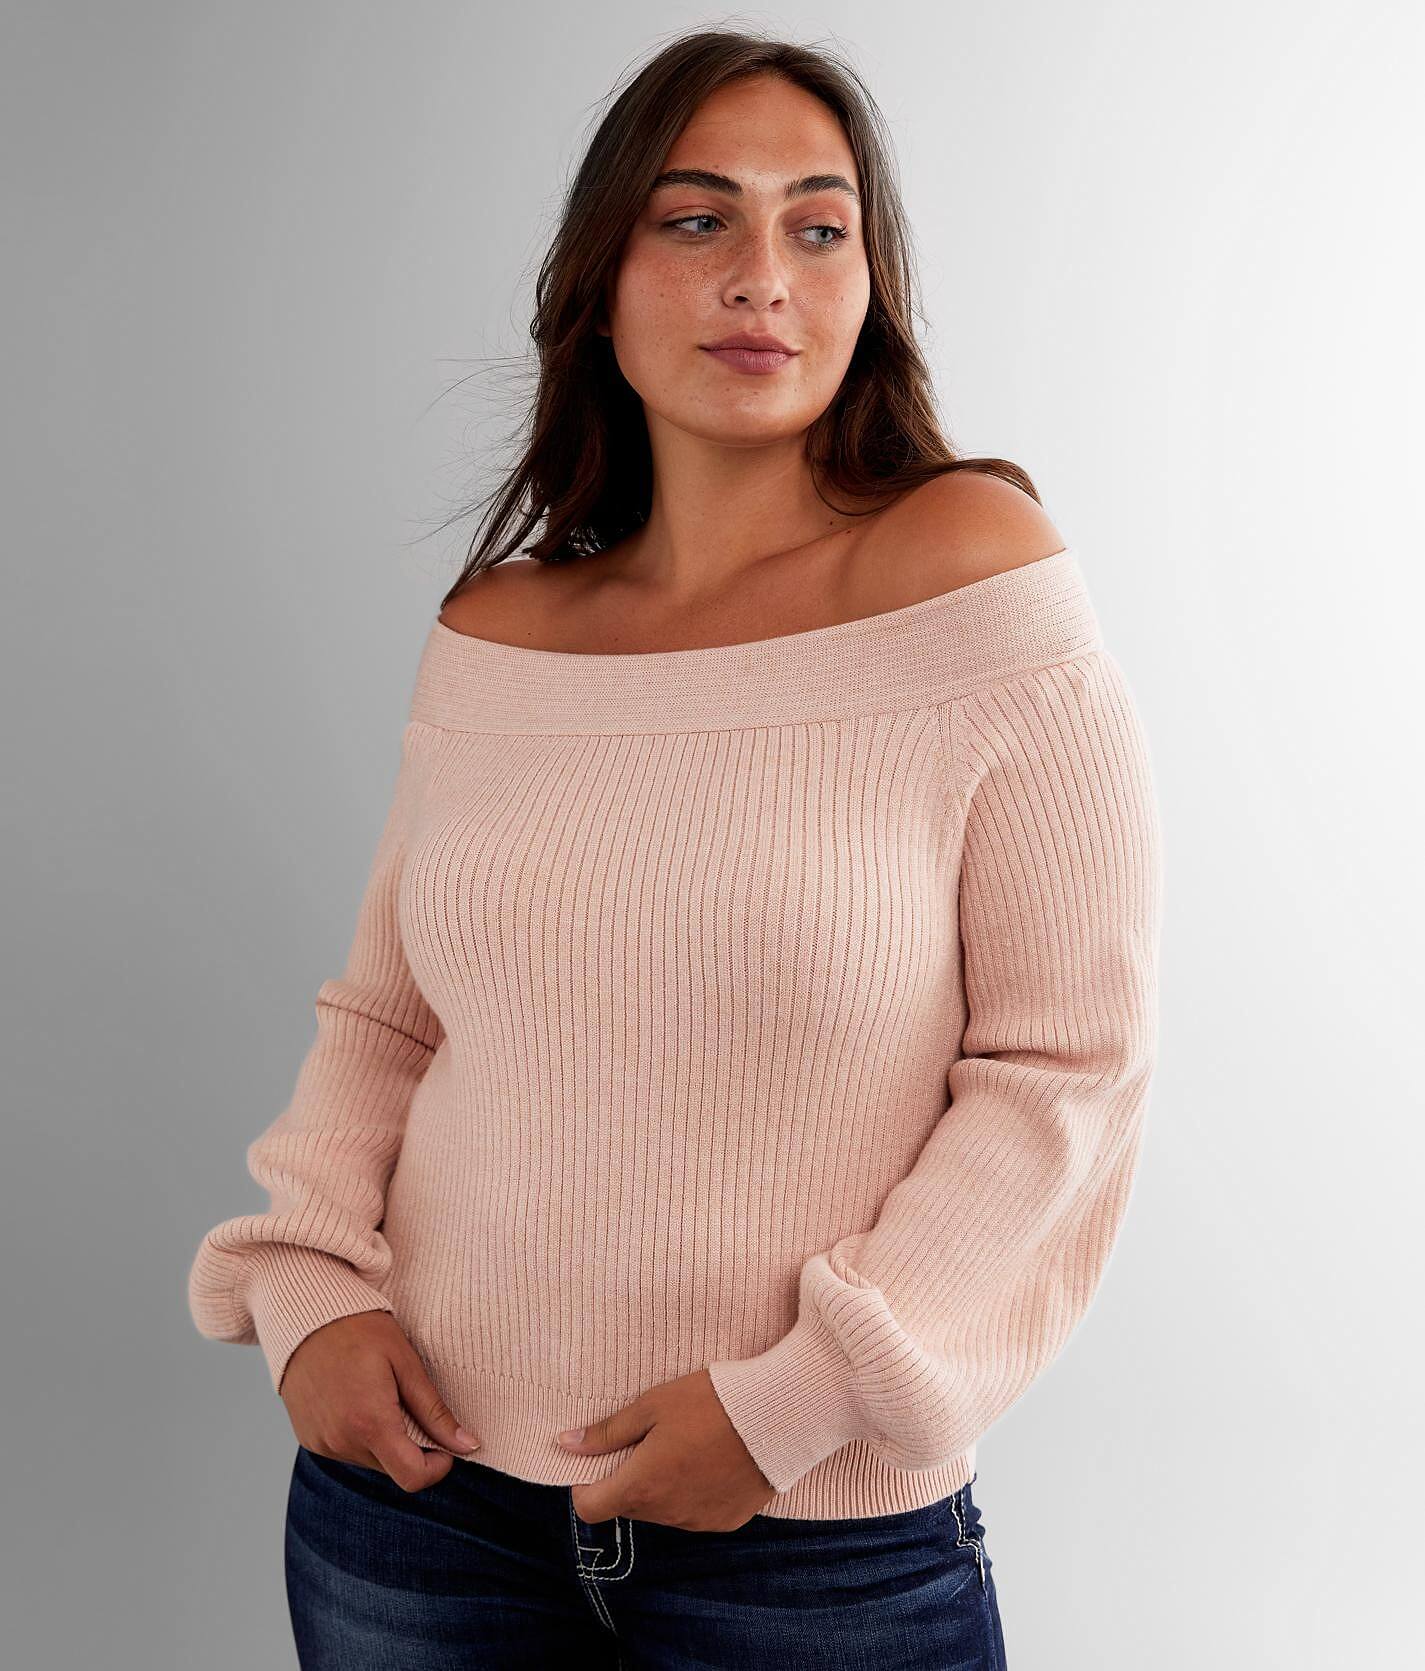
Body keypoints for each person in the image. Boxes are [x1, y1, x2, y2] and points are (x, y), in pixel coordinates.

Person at [188, 28, 1162, 1670]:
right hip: (417, 1516)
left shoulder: (971, 580)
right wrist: (311, 1295)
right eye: (697, 219)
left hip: (806, 1548)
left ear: (868, 285)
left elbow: (1065, 1067)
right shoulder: (501, 631)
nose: (760, 277)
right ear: (600, 280)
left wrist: (797, 1404)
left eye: (817, 227)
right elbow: (389, 1020)